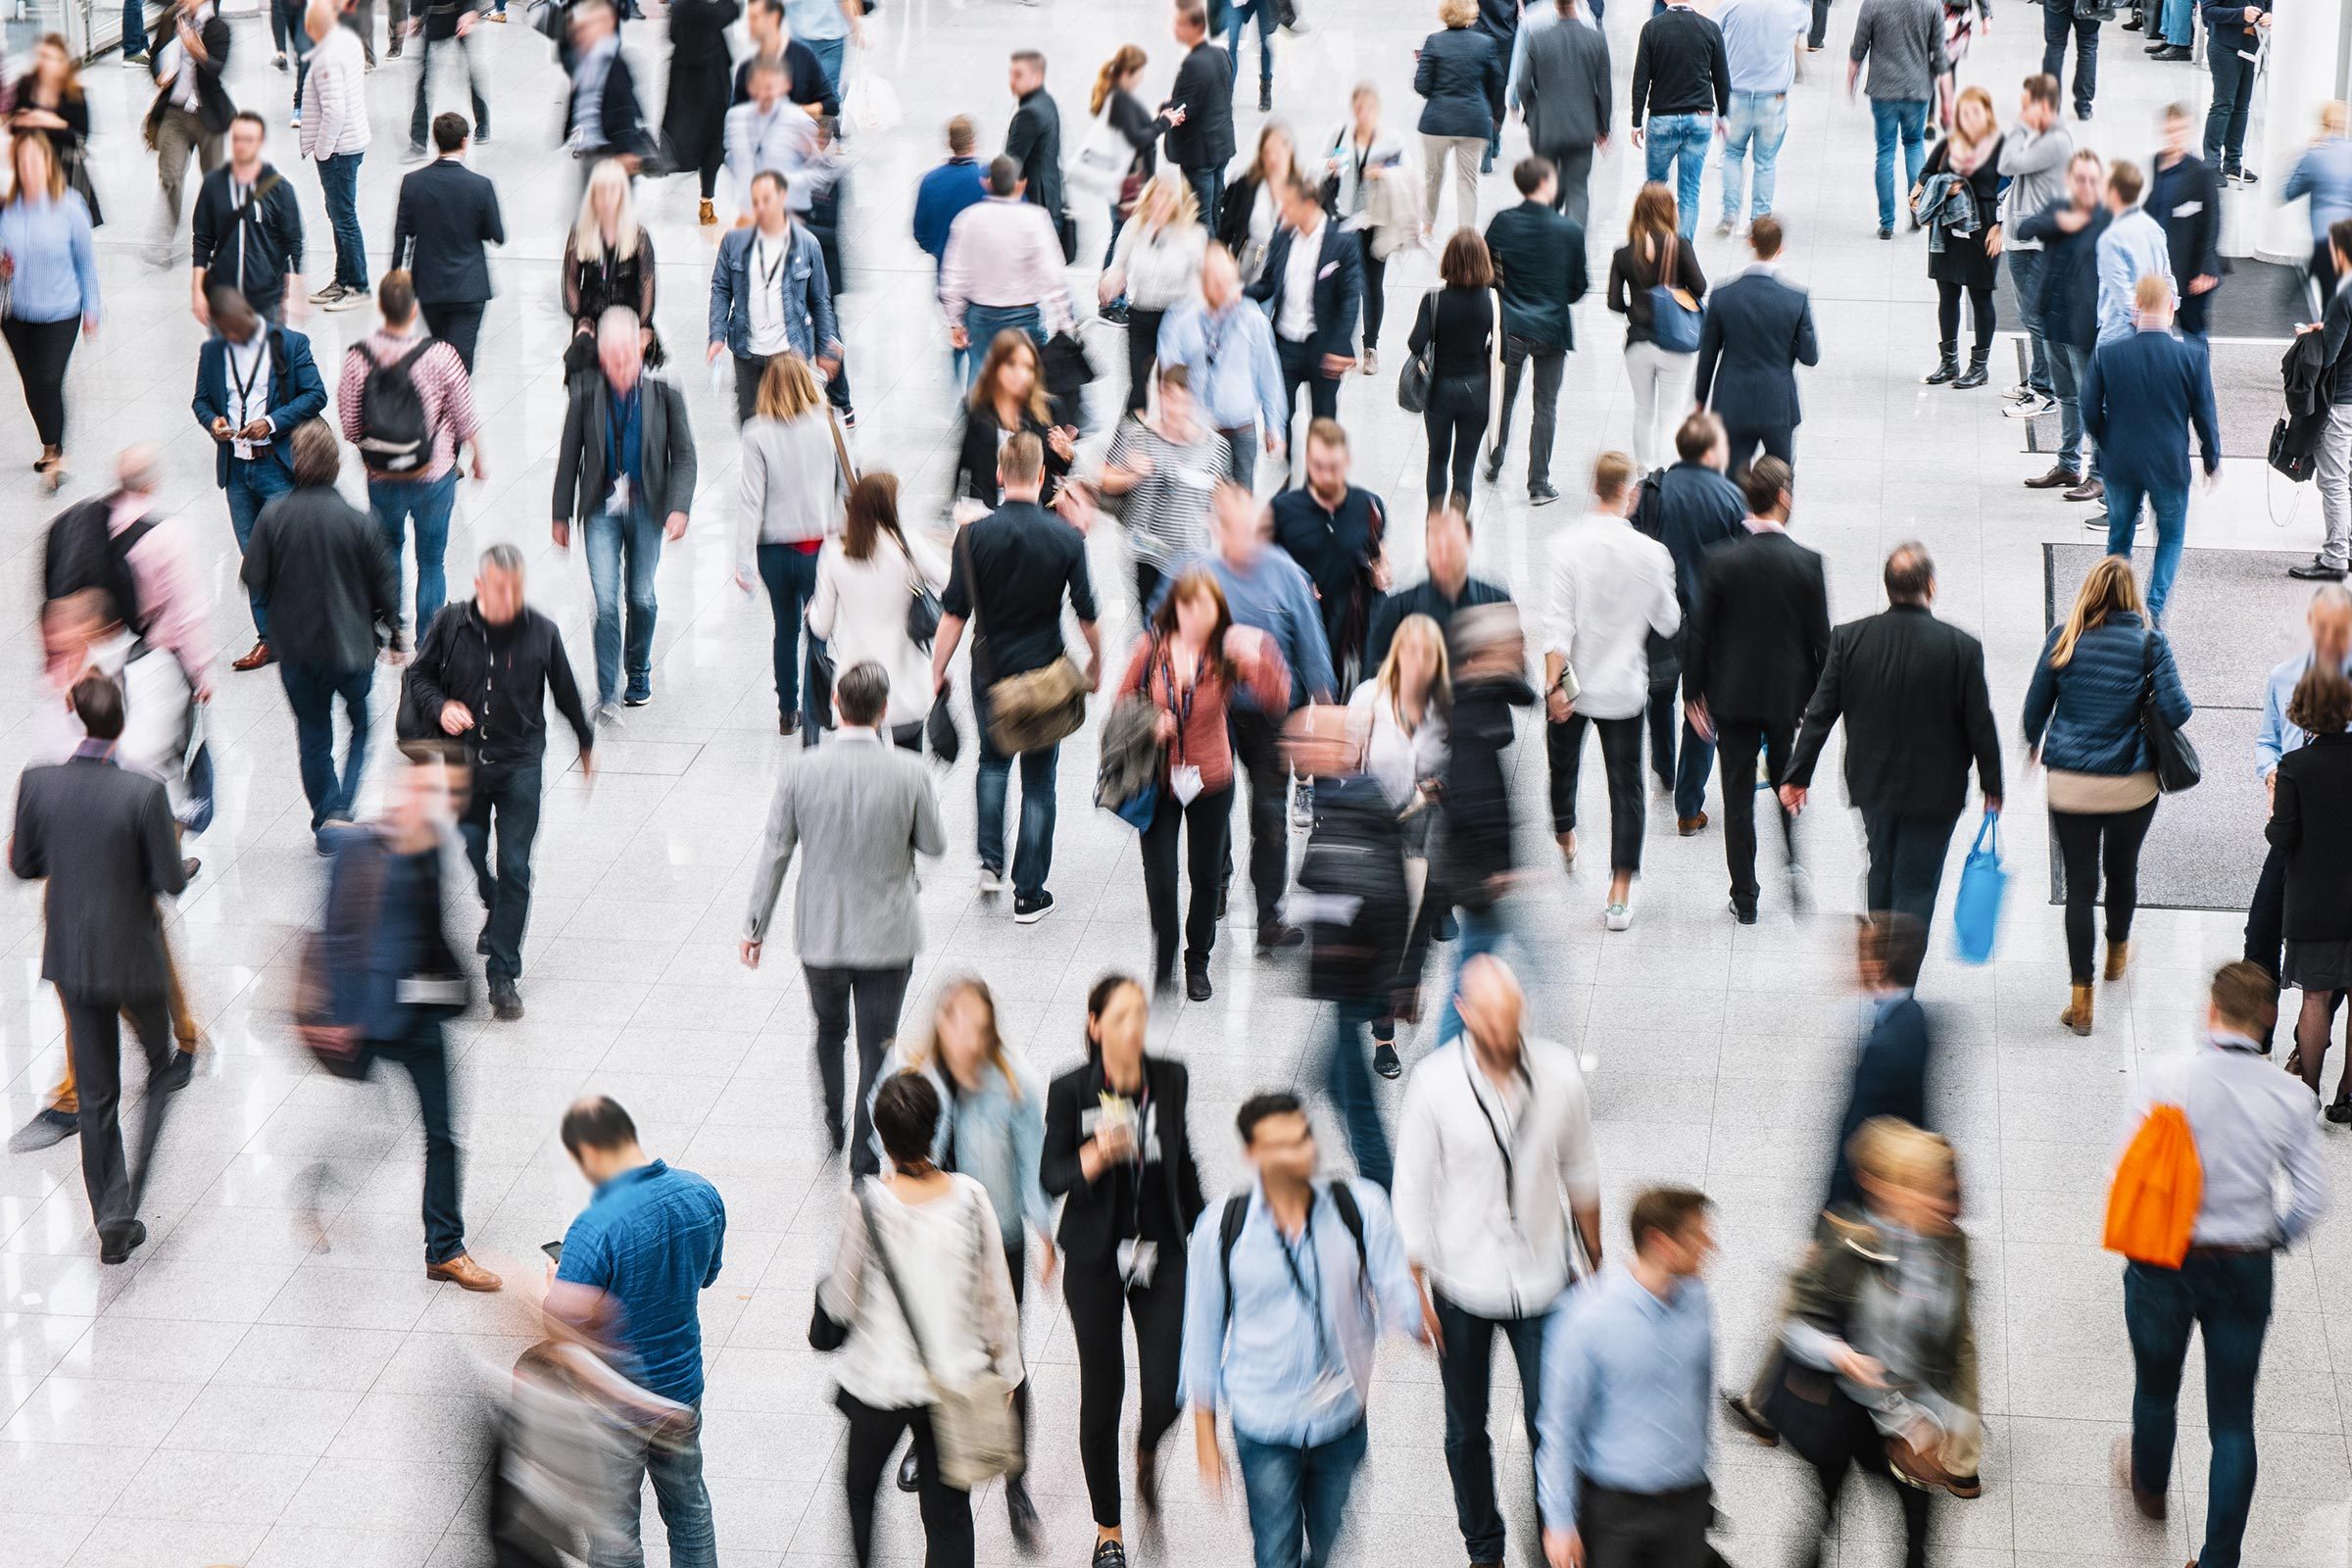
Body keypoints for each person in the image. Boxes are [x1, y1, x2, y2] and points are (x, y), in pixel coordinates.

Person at [1394, 954, 1600, 1568]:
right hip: (1463, 1285)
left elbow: (1582, 1174)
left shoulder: (1559, 1072)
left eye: (1514, 1021)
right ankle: (1484, 1548)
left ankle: (1554, 1538)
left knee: (1552, 1425)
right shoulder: (1434, 1084)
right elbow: (1411, 1189)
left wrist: (1596, 1265)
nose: (1507, 1036)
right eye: (1493, 1023)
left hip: (1545, 1279)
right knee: (1466, 1431)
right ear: (1463, 1014)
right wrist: (1414, 1287)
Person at [2116, 962, 2327, 1568]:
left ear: (2211, 1011)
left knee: (2156, 1390)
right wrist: (2269, 1237)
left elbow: (2122, 1171)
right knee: (2232, 1418)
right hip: (2244, 1265)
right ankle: (2217, 1560)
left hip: (2164, 1260)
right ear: (2268, 1018)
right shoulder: (2291, 1096)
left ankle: (2150, 1490)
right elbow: (2310, 1199)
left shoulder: (2167, 1077)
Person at [1181, 1093, 1426, 1568]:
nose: (1300, 1154)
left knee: (1330, 1538)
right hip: (1264, 1423)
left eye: (1303, 1139)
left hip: (1341, 1420)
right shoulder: (1221, 1229)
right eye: (1282, 1146)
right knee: (1275, 1551)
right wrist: (1204, 1436)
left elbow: (1399, 1296)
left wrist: (1403, 1323)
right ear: (1252, 1156)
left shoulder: (1361, 1208)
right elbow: (1202, 1332)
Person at [859, 979, 1051, 1541]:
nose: (966, 1037)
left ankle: (1015, 1478)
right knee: (930, 1341)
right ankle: (931, 1444)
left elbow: (1032, 1163)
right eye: (955, 1023)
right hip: (922, 1231)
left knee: (1002, 1357)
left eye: (977, 1025)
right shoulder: (911, 1068)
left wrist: (1045, 1235)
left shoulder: (1015, 1082)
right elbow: (882, 1129)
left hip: (995, 1233)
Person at [11, 673, 191, 1264]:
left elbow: (26, 862)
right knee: (162, 1068)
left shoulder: (38, 782)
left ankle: (113, 1216)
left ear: (76, 716)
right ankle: (138, 1178)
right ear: (122, 720)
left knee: (95, 1093)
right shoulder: (142, 793)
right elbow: (167, 880)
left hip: (73, 958)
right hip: (134, 962)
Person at [309, 749, 501, 1292]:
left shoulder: (431, 850)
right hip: (367, 1017)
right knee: (375, 1125)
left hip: (417, 1016)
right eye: (423, 792)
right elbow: (335, 935)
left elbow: (430, 932)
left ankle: (445, 1249)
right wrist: (338, 1015)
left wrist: (455, 992)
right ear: (400, 795)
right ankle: (318, 1183)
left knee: (442, 1133)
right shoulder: (357, 848)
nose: (431, 804)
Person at [817, 1073, 1024, 1568]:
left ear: (882, 1139)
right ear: (935, 1127)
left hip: (879, 1384)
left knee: (861, 1491)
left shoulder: (867, 1203)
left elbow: (843, 1301)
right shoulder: (971, 1198)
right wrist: (1009, 1374)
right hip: (952, 1383)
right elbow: (996, 1298)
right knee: (949, 1516)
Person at [743, 659, 945, 1164]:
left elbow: (776, 851)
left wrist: (755, 926)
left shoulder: (799, 771)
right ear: (882, 711)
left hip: (822, 934)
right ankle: (864, 1155)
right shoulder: (911, 772)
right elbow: (935, 844)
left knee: (830, 1031)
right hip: (889, 935)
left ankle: (833, 1122)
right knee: (878, 1049)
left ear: (835, 705)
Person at [1041, 974, 1208, 1568]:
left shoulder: (1171, 1078)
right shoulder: (1069, 1091)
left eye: (1140, 1014)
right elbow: (1049, 1177)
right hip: (1094, 1258)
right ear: (1095, 1026)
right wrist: (1092, 1156)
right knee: (1102, 1391)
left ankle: (1146, 1449)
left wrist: (1208, 1231)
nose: (1133, 1027)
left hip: (1160, 1250)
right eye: (1120, 1017)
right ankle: (1108, 1530)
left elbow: (1183, 1161)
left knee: (1167, 1390)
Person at [1773, 1119, 1980, 1568]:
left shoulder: (1953, 1246)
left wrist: (1954, 1421)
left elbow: (1957, 1343)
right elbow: (1795, 1323)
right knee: (1823, 1517)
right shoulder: (1851, 1242)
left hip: (1916, 1425)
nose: (1951, 1206)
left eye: (1950, 1192)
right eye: (1938, 1192)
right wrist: (1841, 1354)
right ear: (1898, 1191)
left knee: (1919, 1546)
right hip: (1847, 1412)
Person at [404, 544, 596, 1021]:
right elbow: (418, 677)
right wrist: (441, 707)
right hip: (464, 768)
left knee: (515, 865)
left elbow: (566, 692)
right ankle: (493, 902)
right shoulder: (450, 624)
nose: (509, 601)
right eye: (500, 591)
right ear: (480, 587)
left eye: (516, 591)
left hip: (519, 766)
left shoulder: (542, 633)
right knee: (472, 846)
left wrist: (585, 743)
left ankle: (503, 973)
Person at [1783, 543, 2003, 935]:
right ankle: (1898, 986)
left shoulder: (1850, 639)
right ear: (1930, 586)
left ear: (1888, 587)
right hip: (1937, 792)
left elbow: (1820, 712)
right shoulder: (1960, 648)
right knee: (1917, 883)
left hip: (1872, 784)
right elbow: (1979, 724)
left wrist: (1798, 774)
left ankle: (1879, 947)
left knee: (1880, 862)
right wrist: (1992, 783)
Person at [546, 1096, 727, 1568]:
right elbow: (707, 1276)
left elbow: (561, 1320)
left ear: (589, 1155)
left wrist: (556, 1283)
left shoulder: (594, 1228)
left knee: (614, 1532)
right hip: (681, 1390)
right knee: (689, 1511)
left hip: (613, 1406)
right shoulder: (701, 1194)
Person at [931, 433, 1103, 923]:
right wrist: (1097, 662)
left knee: (992, 763)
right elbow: (1088, 612)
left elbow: (954, 614)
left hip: (989, 671)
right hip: (1046, 674)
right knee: (1040, 782)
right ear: (1043, 476)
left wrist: (936, 670)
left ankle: (990, 863)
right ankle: (1029, 893)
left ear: (1002, 475)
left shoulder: (973, 536)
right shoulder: (1066, 537)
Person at [1154, 483, 1335, 953]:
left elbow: (1313, 650)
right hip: (1212, 711)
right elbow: (1159, 633)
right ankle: (1215, 886)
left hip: (1271, 716)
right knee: (1214, 801)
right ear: (1218, 529)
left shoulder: (1285, 575)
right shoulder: (1195, 573)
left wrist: (1325, 716)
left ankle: (1269, 915)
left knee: (1269, 815)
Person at [2025, 557, 2190, 1033]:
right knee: (2122, 871)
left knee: (2080, 887)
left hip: (2071, 783)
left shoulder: (2063, 637)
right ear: (2131, 596)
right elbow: (2178, 712)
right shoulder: (2149, 642)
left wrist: (2036, 744)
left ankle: (2081, 998)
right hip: (2131, 784)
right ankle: (2118, 953)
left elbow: (2034, 710)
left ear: (2090, 592)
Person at [1120, 566, 1292, 998]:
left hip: (1210, 778)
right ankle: (1164, 962)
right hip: (1158, 779)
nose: (1198, 618)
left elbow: (1275, 700)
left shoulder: (1226, 653)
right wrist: (1150, 721)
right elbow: (1123, 702)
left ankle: (1198, 961)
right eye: (1189, 607)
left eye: (1207, 610)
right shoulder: (1151, 648)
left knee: (1206, 875)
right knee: (1161, 878)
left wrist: (1266, 657)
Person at [1535, 1186, 1718, 1568]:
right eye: (1697, 1236)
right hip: (1616, 1513)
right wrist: (1560, 1522)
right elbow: (1559, 1427)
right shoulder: (1585, 1319)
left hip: (1685, 1504)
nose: (1710, 1246)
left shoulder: (1698, 1300)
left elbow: (1697, 1395)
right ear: (1660, 1242)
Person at [241, 419, 402, 846]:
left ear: (295, 463)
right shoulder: (359, 521)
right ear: (335, 465)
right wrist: (395, 631)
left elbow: (252, 576)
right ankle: (343, 808)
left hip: (295, 652)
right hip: (351, 649)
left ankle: (326, 813)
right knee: (362, 724)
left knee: (313, 735)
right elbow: (387, 587)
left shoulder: (273, 514)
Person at [1685, 458, 1830, 923]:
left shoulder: (1719, 559)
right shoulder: (1808, 563)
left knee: (1737, 795)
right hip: (1785, 698)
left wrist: (1694, 694)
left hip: (1733, 697)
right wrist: (1812, 700)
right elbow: (1820, 643)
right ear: (1784, 498)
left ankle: (1745, 897)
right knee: (1788, 778)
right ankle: (1791, 859)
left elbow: (1701, 634)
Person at [1544, 451, 1681, 931]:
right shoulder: (1650, 554)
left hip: (1572, 687)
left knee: (1564, 769)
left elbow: (1557, 625)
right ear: (1631, 494)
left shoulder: (1565, 546)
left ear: (1592, 486)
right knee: (1627, 788)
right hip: (1623, 689)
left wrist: (1553, 686)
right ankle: (1619, 892)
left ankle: (1566, 836)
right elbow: (1668, 621)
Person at [553, 307, 699, 715]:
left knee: (642, 596)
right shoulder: (584, 394)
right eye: (612, 359)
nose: (620, 367)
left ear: (640, 349)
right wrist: (559, 515)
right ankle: (608, 691)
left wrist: (679, 507)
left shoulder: (665, 395)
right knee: (605, 600)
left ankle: (638, 670)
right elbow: (569, 457)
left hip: (648, 508)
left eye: (627, 358)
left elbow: (685, 456)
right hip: (600, 508)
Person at [337, 271, 481, 642]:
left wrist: (372, 452)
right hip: (433, 475)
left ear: (382, 308)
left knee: (388, 550)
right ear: (414, 308)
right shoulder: (442, 355)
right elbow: (464, 415)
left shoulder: (358, 358)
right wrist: (478, 455)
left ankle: (393, 625)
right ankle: (428, 641)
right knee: (432, 561)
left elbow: (350, 422)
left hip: (382, 475)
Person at [193, 283, 328, 674]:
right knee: (254, 557)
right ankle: (268, 638)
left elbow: (315, 395)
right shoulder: (213, 352)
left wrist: (270, 422)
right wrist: (213, 422)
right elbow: (201, 400)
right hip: (237, 471)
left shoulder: (290, 344)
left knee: (291, 554)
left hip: (277, 466)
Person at [2081, 273, 2221, 623]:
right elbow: (2205, 414)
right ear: (2172, 307)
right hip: (2169, 465)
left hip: (2120, 462)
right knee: (2171, 537)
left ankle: (2112, 608)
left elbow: (2088, 407)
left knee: (2120, 536)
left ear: (2135, 308)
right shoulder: (2192, 357)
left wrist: (2106, 441)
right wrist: (2211, 459)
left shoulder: (2109, 354)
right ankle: (2154, 613)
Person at [1344, 613, 1447, 1075]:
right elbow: (1344, 761)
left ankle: (1390, 1012)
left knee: (1410, 930)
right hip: (1371, 825)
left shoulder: (1442, 707)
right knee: (1377, 927)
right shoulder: (1369, 696)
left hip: (1419, 829)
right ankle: (1379, 1026)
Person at [2248, 587, 2352, 1042]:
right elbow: (2268, 739)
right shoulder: (2283, 676)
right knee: (2262, 930)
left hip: (2339, 830)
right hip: (2295, 822)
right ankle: (2257, 1031)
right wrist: (2272, 772)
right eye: (2324, 626)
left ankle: (2306, 1042)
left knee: (2336, 951)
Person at [1429, 600, 1535, 1041]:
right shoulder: (1468, 711)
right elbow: (1474, 798)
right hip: (1479, 869)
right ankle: (1442, 1054)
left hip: (1479, 866)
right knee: (1472, 971)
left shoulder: (1476, 691)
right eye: (1512, 645)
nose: (1519, 651)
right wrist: (1498, 868)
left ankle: (1449, 1050)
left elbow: (1525, 694)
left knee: (1479, 964)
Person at [1636, 413, 1745, 828]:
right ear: (1711, 450)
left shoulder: (1654, 491)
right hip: (1711, 624)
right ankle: (1688, 806)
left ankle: (1663, 767)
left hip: (1662, 613)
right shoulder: (1731, 496)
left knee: (1660, 694)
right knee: (1702, 708)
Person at [728, 352, 845, 738]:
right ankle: (815, 710)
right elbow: (846, 487)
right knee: (819, 628)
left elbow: (750, 501)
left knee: (785, 626)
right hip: (819, 549)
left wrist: (743, 559)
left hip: (774, 551)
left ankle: (787, 709)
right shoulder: (830, 425)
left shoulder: (756, 432)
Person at [808, 475, 950, 752]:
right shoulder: (908, 545)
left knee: (860, 770)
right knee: (908, 761)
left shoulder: (835, 552)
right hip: (904, 678)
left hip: (856, 682)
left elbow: (821, 626)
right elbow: (951, 582)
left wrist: (811, 611)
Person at [2270, 667, 2352, 1107]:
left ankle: (2308, 1095)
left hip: (2314, 900)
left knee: (2316, 998)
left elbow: (2282, 837)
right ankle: (2349, 1097)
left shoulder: (2296, 766)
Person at [1481, 159, 1586, 504]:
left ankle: (1495, 462)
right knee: (1546, 405)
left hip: (1511, 325)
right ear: (1543, 182)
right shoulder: (1569, 230)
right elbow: (1577, 288)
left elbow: (1486, 270)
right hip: (1553, 329)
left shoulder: (1502, 222)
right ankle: (1538, 483)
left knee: (1504, 399)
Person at [0, 131, 98, 494]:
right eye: (21, 162)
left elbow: (86, 263)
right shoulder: (7, 207)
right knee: (31, 383)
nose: (29, 169)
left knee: (47, 380)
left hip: (61, 311)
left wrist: (92, 309)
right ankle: (49, 445)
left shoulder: (71, 206)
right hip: (16, 313)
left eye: (34, 161)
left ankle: (58, 453)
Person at [707, 169, 841, 428]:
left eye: (766, 200)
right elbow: (721, 288)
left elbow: (820, 301)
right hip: (748, 350)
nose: (761, 208)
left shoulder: (807, 244)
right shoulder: (733, 242)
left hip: (790, 353)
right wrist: (716, 335)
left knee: (793, 420)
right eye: (755, 201)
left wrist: (826, 346)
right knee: (750, 421)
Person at [1250, 174, 1363, 479]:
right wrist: (1235, 294)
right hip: (1285, 342)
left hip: (1322, 345)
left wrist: (1340, 345)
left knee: (1323, 417)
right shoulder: (1284, 236)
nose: (1282, 213)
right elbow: (1266, 285)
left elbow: (1351, 299)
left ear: (1310, 204)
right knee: (1280, 412)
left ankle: (1319, 479)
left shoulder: (1342, 242)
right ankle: (1290, 470)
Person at [2016, 149, 2111, 504]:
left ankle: (2099, 474)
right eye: (2079, 179)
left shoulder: (2106, 219)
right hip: (2053, 320)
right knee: (2066, 397)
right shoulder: (2061, 209)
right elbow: (2025, 227)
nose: (2084, 185)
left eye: (2091, 179)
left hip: (2085, 328)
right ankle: (2068, 463)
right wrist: (2060, 221)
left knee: (2093, 404)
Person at [939, 157, 1076, 392]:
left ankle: (979, 424)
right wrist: (1065, 321)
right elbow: (1053, 275)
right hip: (1025, 317)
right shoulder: (1035, 219)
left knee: (980, 381)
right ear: (1021, 185)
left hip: (981, 317)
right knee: (1028, 385)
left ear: (987, 183)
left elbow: (953, 276)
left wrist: (956, 321)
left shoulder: (968, 219)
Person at [1157, 244, 1288, 490]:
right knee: (1198, 504)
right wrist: (1172, 420)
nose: (1222, 286)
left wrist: (1274, 427)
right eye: (1214, 279)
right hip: (1198, 431)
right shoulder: (1180, 319)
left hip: (1242, 430)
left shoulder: (1253, 319)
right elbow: (1169, 374)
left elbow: (1269, 376)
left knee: (1241, 504)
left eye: (1227, 279)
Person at [1693, 217, 1817, 473]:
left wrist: (1700, 400)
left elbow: (1708, 355)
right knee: (1780, 477)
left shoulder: (1723, 295)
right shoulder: (1795, 299)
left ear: (1750, 242)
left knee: (1732, 477)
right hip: (1777, 399)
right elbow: (1810, 356)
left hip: (1732, 400)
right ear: (1780, 248)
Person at [1102, 365, 1231, 609]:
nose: (1176, 410)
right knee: (1152, 626)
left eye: (1185, 402)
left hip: (1192, 559)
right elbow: (1105, 482)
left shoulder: (1217, 448)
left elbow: (1224, 502)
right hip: (1148, 556)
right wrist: (1132, 475)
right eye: (1170, 399)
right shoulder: (1136, 434)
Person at [1271, 419, 1389, 682]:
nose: (1325, 476)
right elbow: (1267, 565)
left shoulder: (1369, 505)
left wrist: (1381, 571)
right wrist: (1298, 583)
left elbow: (1379, 554)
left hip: (1348, 624)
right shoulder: (1283, 511)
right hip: (1302, 622)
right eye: (1318, 467)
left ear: (1346, 461)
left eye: (1333, 468)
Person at [1607, 182, 1708, 478]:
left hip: (1638, 343)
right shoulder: (1680, 246)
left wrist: (1637, 311)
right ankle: (1665, 474)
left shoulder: (1623, 254)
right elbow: (1700, 287)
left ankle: (1644, 471)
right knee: (1670, 415)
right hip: (1676, 342)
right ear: (1669, 211)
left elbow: (1614, 303)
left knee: (1643, 411)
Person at [388, 115, 502, 373]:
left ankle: (436, 407)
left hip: (429, 285)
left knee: (437, 354)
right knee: (461, 363)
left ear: (435, 140)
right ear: (465, 141)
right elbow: (498, 236)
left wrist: (397, 278)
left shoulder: (413, 183)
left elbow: (402, 235)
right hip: (470, 287)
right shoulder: (481, 186)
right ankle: (454, 407)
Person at [1913, 85, 2002, 389]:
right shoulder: (1951, 144)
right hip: (1947, 232)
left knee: (1980, 296)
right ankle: (1949, 362)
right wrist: (1944, 183)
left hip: (1984, 228)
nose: (1970, 119)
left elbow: (2012, 187)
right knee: (1947, 294)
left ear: (1988, 114)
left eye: (1976, 112)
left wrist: (2000, 227)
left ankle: (1980, 367)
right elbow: (1925, 173)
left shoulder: (2000, 147)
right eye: (1965, 113)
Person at [1996, 75, 2073, 417]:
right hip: (2024, 238)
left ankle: (2046, 391)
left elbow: (2007, 164)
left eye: (2027, 104)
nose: (2022, 111)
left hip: (2036, 242)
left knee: (2036, 316)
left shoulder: (2054, 140)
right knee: (2030, 316)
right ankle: (2039, 379)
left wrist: (2017, 129)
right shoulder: (2043, 137)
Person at [1363, 495, 1508, 675]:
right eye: (1436, 543)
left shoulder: (1495, 601)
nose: (1444, 554)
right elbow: (1373, 680)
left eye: (1451, 544)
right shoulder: (1397, 609)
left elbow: (1521, 690)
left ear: (1468, 541)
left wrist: (1500, 663)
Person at [1101, 173, 1208, 415]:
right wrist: (1112, 278)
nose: (1160, 205)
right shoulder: (1135, 226)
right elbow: (1119, 263)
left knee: (1173, 387)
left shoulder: (1192, 235)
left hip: (1175, 317)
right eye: (1156, 198)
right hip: (1141, 313)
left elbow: (1197, 284)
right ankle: (1133, 438)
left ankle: (1174, 435)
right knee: (1139, 386)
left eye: (1167, 199)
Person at [1408, 229, 1499, 507]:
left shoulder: (1433, 300)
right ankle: (1457, 522)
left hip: (1440, 391)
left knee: (1437, 457)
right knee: (1464, 466)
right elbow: (1501, 348)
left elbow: (1415, 343)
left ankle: (1434, 519)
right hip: (1478, 391)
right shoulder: (1492, 302)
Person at [189, 112, 303, 327]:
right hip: (223, 299)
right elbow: (202, 240)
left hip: (267, 300)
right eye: (237, 139)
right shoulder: (213, 185)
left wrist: (296, 292)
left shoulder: (280, 190)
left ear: (260, 142)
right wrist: (197, 291)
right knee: (224, 360)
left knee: (269, 359)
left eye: (248, 139)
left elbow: (294, 242)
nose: (241, 145)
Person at [1323, 86, 1406, 374]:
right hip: (1345, 218)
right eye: (1359, 108)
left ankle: (1370, 345)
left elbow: (1405, 175)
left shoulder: (1391, 140)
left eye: (1369, 108)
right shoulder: (1341, 133)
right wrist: (1331, 165)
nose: (1363, 114)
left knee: (1372, 286)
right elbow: (1323, 165)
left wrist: (1382, 172)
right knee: (1345, 283)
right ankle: (1342, 345)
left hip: (1375, 221)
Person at [1631, 0, 1730, 239]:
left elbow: (1641, 80)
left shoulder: (1652, 28)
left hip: (1662, 117)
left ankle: (1655, 243)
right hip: (1699, 118)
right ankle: (1683, 253)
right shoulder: (1710, 28)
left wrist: (1636, 121)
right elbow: (1722, 78)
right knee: (1690, 191)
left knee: (1655, 184)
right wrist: (1723, 115)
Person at [144, 0, 233, 260]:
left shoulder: (218, 28)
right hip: (175, 112)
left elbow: (218, 68)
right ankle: (165, 240)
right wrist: (158, 76)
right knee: (170, 176)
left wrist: (199, 53)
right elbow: (155, 54)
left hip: (209, 116)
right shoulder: (170, 19)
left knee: (214, 179)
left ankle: (216, 238)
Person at [1848, 0, 1944, 239]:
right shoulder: (1931, 5)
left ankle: (1887, 223)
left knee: (1885, 153)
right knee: (1914, 145)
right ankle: (1917, 208)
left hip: (1883, 90)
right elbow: (1939, 52)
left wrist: (1852, 77)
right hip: (1917, 88)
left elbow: (1859, 47)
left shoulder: (1872, 3)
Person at [1514, 0, 1611, 228]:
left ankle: (1547, 245)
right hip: (1582, 125)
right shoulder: (1596, 39)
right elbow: (1604, 89)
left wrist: (1535, 111)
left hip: (1545, 126)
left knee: (1545, 187)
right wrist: (1603, 127)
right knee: (1578, 189)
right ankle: (1574, 248)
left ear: (1555, 6)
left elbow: (1522, 84)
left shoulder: (1539, 40)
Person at [297, 0, 368, 312]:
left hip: (338, 149)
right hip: (353, 141)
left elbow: (334, 110)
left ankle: (358, 286)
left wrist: (323, 150)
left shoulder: (326, 58)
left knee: (344, 218)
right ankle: (343, 279)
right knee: (340, 215)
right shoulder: (347, 41)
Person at [562, 159, 661, 379]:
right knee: (587, 384)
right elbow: (570, 279)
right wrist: (582, 321)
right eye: (602, 191)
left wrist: (642, 326)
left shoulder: (638, 236)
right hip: (592, 317)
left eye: (613, 192)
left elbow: (647, 283)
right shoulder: (580, 232)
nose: (607, 198)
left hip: (626, 321)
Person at [1714, 0, 1806, 235]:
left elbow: (1713, 32)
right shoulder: (1792, 8)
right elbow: (1806, 26)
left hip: (1736, 94)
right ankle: (1759, 219)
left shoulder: (1732, 4)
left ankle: (1729, 214)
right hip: (1773, 98)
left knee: (1733, 155)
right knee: (1765, 162)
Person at [1415, 0, 1506, 237]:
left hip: (1437, 122)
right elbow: (1497, 83)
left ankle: (1427, 227)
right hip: (1473, 122)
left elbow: (1421, 85)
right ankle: (1466, 234)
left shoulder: (1433, 42)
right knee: (1467, 181)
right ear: (1471, 14)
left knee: (1432, 177)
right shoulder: (1485, 44)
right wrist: (1496, 116)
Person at [957, 329, 1076, 510]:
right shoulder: (978, 411)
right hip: (988, 510)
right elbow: (967, 465)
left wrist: (1066, 455)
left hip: (1037, 511)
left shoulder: (1050, 408)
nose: (1021, 375)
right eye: (1011, 364)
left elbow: (1057, 469)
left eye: (1028, 367)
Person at [2295, 218, 2352, 583]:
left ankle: (2335, 558)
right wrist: (2326, 326)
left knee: (2333, 479)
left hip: (2342, 398)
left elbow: (2328, 355)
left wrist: (2311, 336)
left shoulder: (2343, 292)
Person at [1088, 47, 1169, 299]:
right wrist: (1163, 123)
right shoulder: (1119, 102)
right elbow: (1138, 137)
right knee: (1120, 237)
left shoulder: (1116, 98)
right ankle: (1110, 299)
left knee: (1119, 235)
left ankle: (1111, 295)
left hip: (1120, 180)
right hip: (1127, 184)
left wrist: (1157, 118)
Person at [913, 117, 989, 382]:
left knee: (959, 328)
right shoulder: (986, 178)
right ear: (973, 141)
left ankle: (962, 374)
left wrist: (940, 249)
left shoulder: (930, 181)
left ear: (949, 143)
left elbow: (920, 233)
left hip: (946, 274)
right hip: (984, 275)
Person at [2149, 102, 2223, 339]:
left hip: (2192, 272)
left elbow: (2213, 222)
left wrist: (2205, 269)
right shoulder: (2156, 164)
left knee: (2194, 334)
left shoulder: (2200, 173)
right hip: (2162, 268)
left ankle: (2199, 376)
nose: (2175, 136)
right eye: (2171, 130)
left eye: (2180, 130)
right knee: (2158, 329)